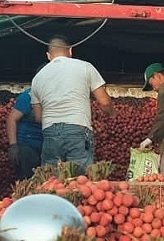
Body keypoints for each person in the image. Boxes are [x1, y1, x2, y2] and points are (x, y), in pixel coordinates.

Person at [30, 36, 115, 173]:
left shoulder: (37, 78)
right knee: (79, 181)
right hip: (77, 129)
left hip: (50, 133)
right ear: (70, 51)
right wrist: (112, 114)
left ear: (48, 55)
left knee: (51, 179)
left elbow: (38, 117)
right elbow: (105, 102)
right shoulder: (85, 67)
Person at [6, 88, 43, 180]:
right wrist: (13, 145)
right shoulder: (28, 96)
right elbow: (12, 119)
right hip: (27, 145)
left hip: (47, 145)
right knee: (27, 179)